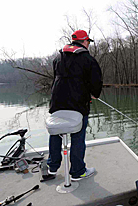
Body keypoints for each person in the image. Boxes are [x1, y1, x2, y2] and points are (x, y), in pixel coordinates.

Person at [47, 30, 103, 181]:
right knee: (78, 135)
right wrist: (94, 94)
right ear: (84, 42)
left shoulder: (58, 57)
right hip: (78, 104)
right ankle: (78, 171)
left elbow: (56, 78)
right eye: (88, 42)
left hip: (57, 101)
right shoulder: (88, 59)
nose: (88, 44)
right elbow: (96, 83)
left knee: (56, 131)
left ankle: (52, 167)